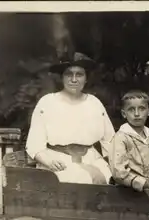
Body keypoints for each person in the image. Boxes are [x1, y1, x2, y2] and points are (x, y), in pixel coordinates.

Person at [25, 52, 116, 185]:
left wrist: (117, 164)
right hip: (58, 162)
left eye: (79, 74)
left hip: (91, 159)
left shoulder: (94, 103)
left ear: (86, 78)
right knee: (81, 181)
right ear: (62, 77)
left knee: (113, 180)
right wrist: (48, 161)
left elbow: (110, 141)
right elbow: (34, 145)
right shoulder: (47, 102)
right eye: (69, 74)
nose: (74, 79)